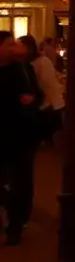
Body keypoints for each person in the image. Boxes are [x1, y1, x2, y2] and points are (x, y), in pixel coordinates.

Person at [0, 31, 41, 245]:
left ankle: (16, 225)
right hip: (5, 134)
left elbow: (37, 94)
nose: (13, 47)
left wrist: (30, 100)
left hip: (22, 135)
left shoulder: (25, 69)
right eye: (8, 44)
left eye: (13, 43)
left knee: (22, 182)